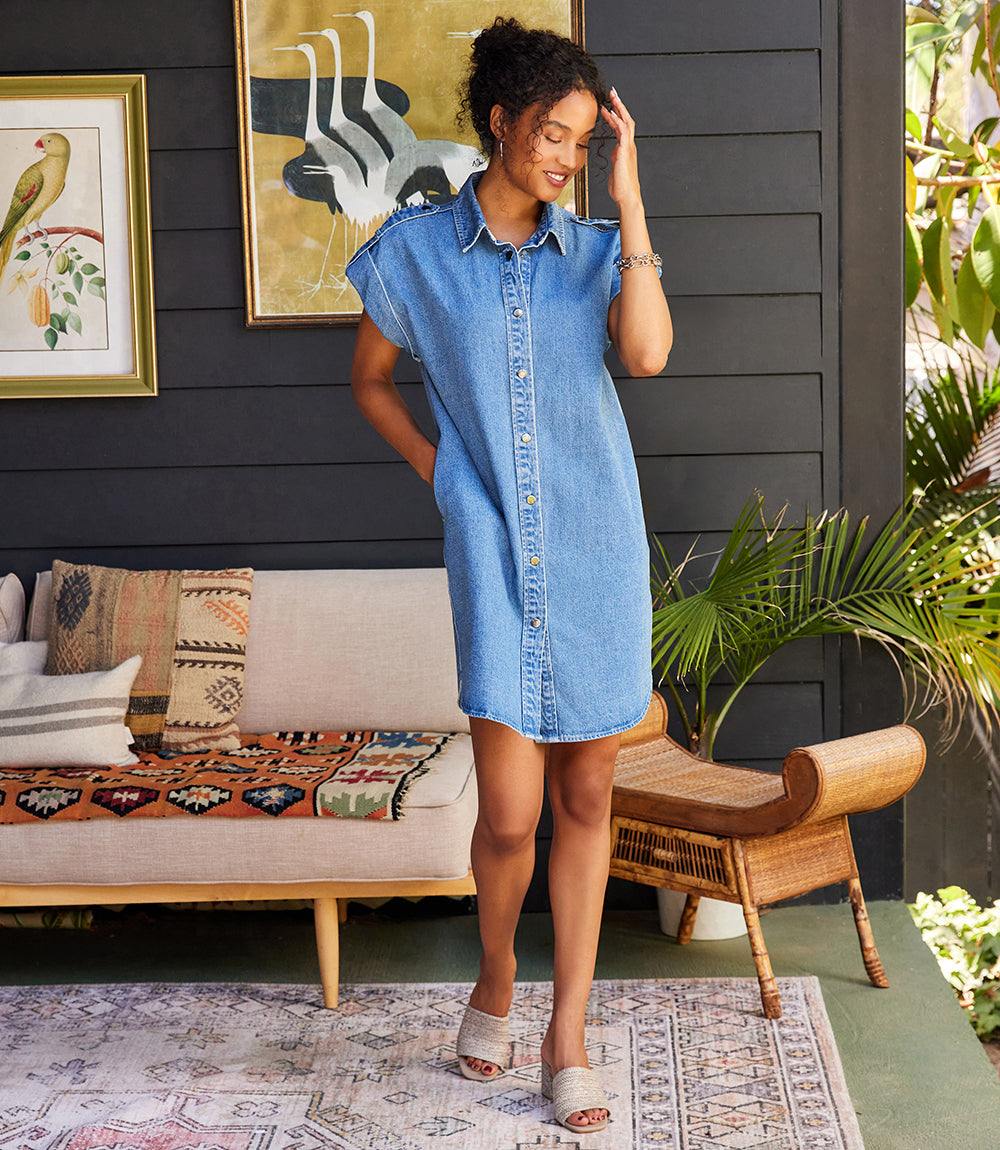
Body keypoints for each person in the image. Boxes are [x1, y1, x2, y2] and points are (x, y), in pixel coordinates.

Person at [345, 15, 672, 1134]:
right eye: (554, 135)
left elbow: (646, 354)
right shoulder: (415, 252)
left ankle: (564, 1033)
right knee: (510, 816)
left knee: (587, 795)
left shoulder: (592, 253)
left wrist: (627, 207)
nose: (565, 159)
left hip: (595, 545)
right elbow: (373, 380)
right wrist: (439, 470)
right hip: (491, 547)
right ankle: (495, 974)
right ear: (501, 120)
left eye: (582, 143)